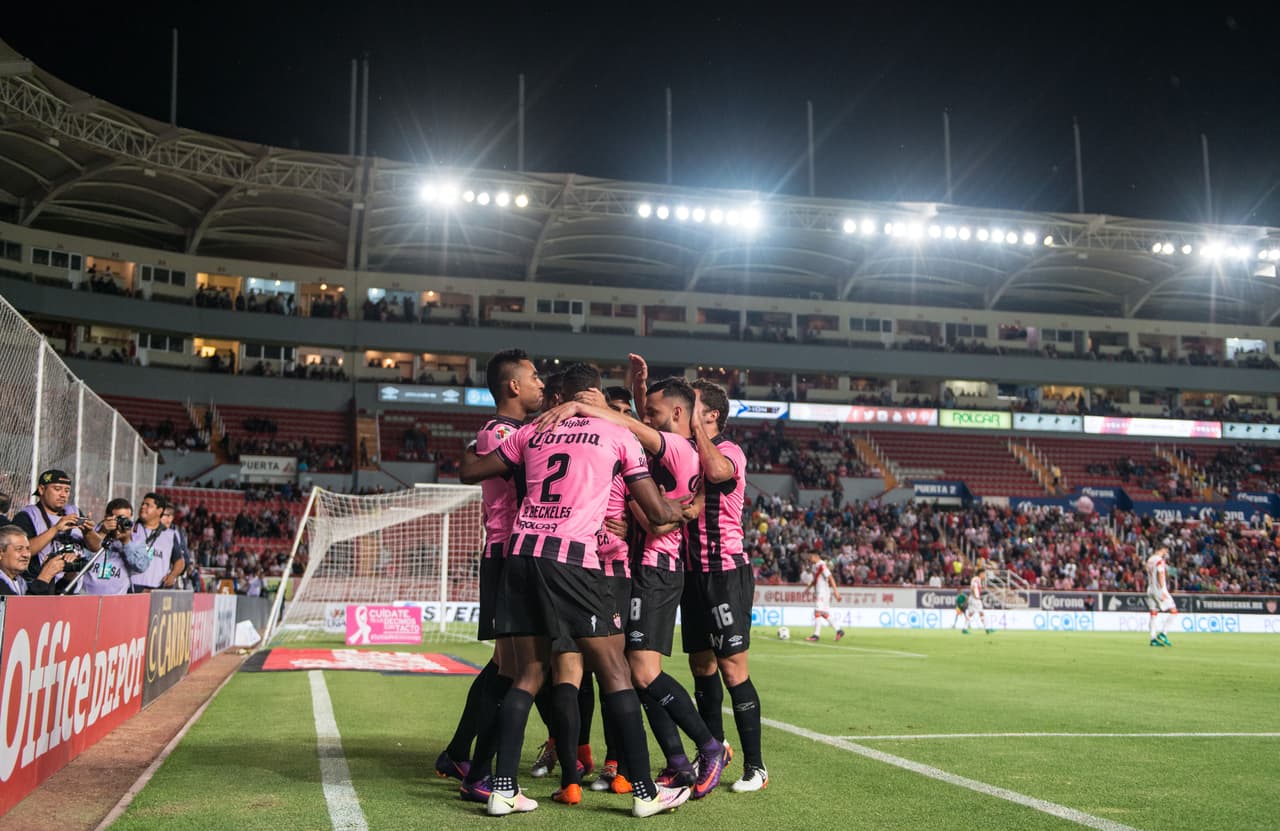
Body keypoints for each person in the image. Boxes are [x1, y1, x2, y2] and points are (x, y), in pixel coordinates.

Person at [462, 362, 690, 817]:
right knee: (614, 672)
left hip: (521, 555)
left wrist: (487, 438)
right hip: (571, 558)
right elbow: (660, 514)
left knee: (528, 674)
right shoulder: (618, 436)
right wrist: (690, 505)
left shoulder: (533, 431)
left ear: (562, 398)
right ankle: (645, 792)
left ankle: (502, 789)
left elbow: (471, 468)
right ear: (595, 397)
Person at [535, 367, 725, 799]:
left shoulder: (676, 445)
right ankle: (677, 762)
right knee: (636, 678)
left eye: (655, 413)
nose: (648, 419)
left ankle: (710, 747)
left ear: (677, 413)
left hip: (658, 569)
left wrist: (587, 406)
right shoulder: (670, 448)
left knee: (641, 672)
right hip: (644, 568)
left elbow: (635, 434)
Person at [447, 348, 545, 805]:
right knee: (519, 670)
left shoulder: (506, 431)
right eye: (534, 377)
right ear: (513, 386)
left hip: (508, 553)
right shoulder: (504, 433)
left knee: (506, 668)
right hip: (509, 553)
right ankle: (483, 773)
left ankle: (466, 761)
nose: (540, 384)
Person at [682, 378, 769, 793]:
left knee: (734, 671)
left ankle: (756, 767)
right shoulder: (684, 449)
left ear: (712, 414)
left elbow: (716, 471)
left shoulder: (729, 451)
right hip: (690, 573)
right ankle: (712, 752)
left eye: (692, 404)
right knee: (702, 667)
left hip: (725, 572)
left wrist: (696, 429)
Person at [15, 469, 101, 593]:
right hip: (40, 588)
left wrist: (88, 532)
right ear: (41, 489)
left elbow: (96, 547)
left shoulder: (74, 512)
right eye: (57, 489)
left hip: (72, 586)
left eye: (67, 490)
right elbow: (23, 551)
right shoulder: (28, 515)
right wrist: (55, 529)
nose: (63, 494)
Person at [78, 499, 140, 595]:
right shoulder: (92, 533)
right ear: (107, 517)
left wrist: (126, 542)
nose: (123, 523)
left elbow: (140, 567)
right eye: (119, 519)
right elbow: (84, 558)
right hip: (87, 597)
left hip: (117, 601)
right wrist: (103, 533)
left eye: (127, 519)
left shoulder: (135, 539)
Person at [129, 493, 186, 591]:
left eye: (148, 505)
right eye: (142, 504)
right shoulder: (130, 529)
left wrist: (172, 575)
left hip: (157, 590)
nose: (143, 507)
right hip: (131, 588)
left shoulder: (170, 535)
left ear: (159, 511)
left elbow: (179, 561)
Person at [0, 525, 62, 595]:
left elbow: (48, 602)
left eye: (28, 549)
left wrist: (68, 577)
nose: (26, 554)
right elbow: (20, 605)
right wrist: (44, 577)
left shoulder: (23, 580)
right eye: (19, 549)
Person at [802, 550, 844, 642]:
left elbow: (831, 578)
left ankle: (816, 635)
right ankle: (839, 630)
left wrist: (836, 592)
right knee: (824, 614)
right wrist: (808, 588)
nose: (810, 558)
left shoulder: (822, 565)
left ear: (816, 556)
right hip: (820, 592)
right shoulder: (815, 566)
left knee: (817, 612)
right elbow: (816, 579)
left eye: (811, 556)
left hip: (823, 593)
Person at [1146, 546, 1177, 647]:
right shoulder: (1160, 561)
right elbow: (1160, 574)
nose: (1166, 553)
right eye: (1166, 550)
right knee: (1174, 611)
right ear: (1162, 549)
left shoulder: (1150, 560)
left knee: (1153, 614)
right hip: (1159, 590)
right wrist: (1162, 589)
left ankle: (1153, 639)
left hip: (1150, 589)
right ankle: (1163, 633)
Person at [963, 567, 994, 635]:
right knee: (981, 613)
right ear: (981, 574)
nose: (984, 575)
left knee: (971, 613)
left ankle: (964, 628)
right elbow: (973, 587)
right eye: (984, 574)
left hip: (973, 598)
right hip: (975, 599)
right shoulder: (976, 579)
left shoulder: (977, 579)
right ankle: (987, 629)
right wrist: (976, 596)